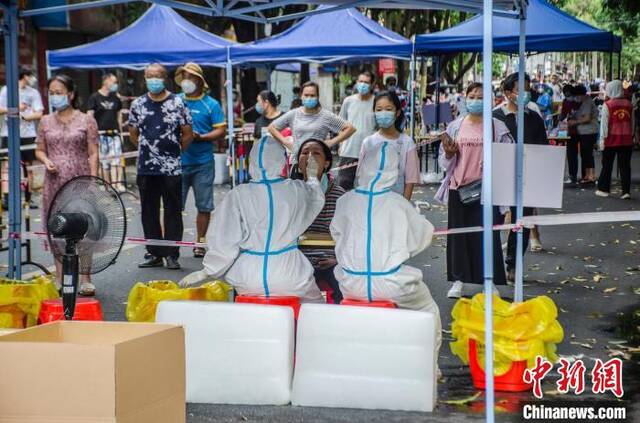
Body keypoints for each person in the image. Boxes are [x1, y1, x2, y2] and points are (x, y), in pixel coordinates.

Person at [331, 141, 441, 364]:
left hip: (351, 283)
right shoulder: (398, 204)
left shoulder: (344, 201)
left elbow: (337, 234)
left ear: (361, 167)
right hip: (393, 284)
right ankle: (429, 366)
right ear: (394, 170)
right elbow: (421, 239)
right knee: (429, 309)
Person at [179, 136, 325, 303]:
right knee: (315, 307)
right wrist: (312, 177)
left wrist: (207, 270)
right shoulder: (296, 190)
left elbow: (224, 238)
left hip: (247, 278)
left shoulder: (239, 194)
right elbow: (315, 200)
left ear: (251, 162)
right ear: (282, 162)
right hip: (290, 273)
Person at [435, 82, 513, 299]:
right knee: (458, 237)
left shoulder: (497, 127)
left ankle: (490, 282)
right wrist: (449, 154)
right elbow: (444, 162)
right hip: (458, 188)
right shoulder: (455, 126)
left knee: (488, 236)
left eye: (481, 96)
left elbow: (506, 161)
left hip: (487, 191)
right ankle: (458, 281)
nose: (476, 100)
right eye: (472, 95)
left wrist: (505, 200)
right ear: (465, 98)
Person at [35, 74, 99, 295]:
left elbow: (93, 152)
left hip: (79, 181)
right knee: (57, 228)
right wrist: (45, 160)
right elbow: (40, 149)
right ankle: (60, 277)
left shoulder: (86, 120)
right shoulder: (44, 121)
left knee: (83, 228)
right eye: (51, 93)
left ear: (70, 94)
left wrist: (93, 179)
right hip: (53, 183)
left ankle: (85, 278)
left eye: (59, 92)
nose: (55, 97)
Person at [128, 63, 193, 270]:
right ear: (145, 78)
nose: (153, 79)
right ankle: (154, 252)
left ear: (165, 78)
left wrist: (173, 152)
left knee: (173, 210)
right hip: (146, 167)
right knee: (149, 210)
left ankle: (172, 253)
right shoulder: (138, 104)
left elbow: (187, 133)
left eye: (157, 76)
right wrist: (150, 151)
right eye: (149, 76)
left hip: (171, 167)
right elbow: (133, 133)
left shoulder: (177, 102)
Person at [494, 73, 548, 281]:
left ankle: (513, 265)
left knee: (523, 222)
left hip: (527, 179)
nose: (526, 93)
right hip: (500, 178)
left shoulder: (534, 117)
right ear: (507, 93)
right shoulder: (495, 117)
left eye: (528, 88)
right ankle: (492, 267)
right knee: (496, 220)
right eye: (520, 89)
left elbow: (542, 147)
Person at [175, 62, 226, 259]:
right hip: (177, 163)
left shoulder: (211, 104)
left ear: (200, 80)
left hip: (203, 162)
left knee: (204, 206)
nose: (187, 81)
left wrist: (202, 137)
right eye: (184, 76)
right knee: (173, 206)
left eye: (192, 77)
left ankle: (200, 242)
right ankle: (172, 244)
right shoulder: (175, 101)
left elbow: (221, 130)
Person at [295, 139, 346, 303]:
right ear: (298, 162)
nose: (309, 157)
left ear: (326, 163)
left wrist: (338, 260)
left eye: (316, 153)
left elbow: (349, 234)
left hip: (330, 260)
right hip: (297, 261)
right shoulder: (290, 193)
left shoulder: (339, 194)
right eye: (304, 153)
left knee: (346, 289)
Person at [268, 81, 355, 169]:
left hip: (318, 164)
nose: (309, 98)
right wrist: (286, 142)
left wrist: (331, 142)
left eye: (312, 95)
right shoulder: (293, 114)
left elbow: (350, 128)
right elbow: (272, 128)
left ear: (317, 97)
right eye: (306, 95)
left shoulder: (326, 116)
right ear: (301, 96)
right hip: (297, 163)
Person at [358, 90, 420, 200]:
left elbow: (410, 180)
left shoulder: (407, 143)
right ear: (374, 112)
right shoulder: (368, 143)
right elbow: (361, 177)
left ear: (397, 112)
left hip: (396, 203)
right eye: (379, 110)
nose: (383, 113)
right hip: (371, 202)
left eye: (388, 109)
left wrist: (403, 206)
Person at [0, 67, 44, 210]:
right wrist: (16, 109)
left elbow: (39, 113)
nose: (33, 79)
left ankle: (28, 198)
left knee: (28, 166)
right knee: (7, 166)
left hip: (28, 134)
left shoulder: (33, 92)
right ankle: (6, 199)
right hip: (9, 132)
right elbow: (1, 109)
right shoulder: (7, 90)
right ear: (24, 76)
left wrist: (26, 116)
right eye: (31, 76)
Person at [337, 71, 377, 190]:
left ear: (372, 85)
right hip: (348, 151)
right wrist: (340, 144)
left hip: (370, 152)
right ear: (356, 83)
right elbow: (341, 124)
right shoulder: (348, 101)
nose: (363, 84)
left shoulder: (376, 102)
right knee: (343, 187)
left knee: (367, 187)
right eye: (361, 81)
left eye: (366, 82)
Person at [596, 80, 634, 199]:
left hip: (611, 140)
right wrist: (631, 135)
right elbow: (632, 123)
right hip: (627, 140)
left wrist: (602, 140)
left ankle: (604, 189)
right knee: (625, 166)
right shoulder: (629, 104)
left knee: (607, 165)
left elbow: (604, 124)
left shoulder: (608, 104)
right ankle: (626, 191)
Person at [87, 73, 124, 191]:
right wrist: (92, 134)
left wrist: (121, 132)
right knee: (104, 162)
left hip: (114, 133)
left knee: (116, 160)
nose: (115, 84)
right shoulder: (94, 97)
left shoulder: (116, 98)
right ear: (106, 81)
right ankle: (108, 185)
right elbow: (90, 116)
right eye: (114, 82)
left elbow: (119, 115)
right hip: (100, 135)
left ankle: (116, 184)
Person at [568, 85, 598, 184]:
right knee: (585, 154)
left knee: (588, 154)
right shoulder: (584, 102)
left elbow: (587, 118)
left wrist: (574, 122)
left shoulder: (587, 102)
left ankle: (591, 176)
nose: (576, 98)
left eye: (577, 96)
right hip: (585, 132)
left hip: (589, 132)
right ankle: (587, 175)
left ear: (581, 95)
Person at [560, 84, 582, 185]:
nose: (568, 96)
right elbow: (563, 114)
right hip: (574, 131)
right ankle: (575, 176)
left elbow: (563, 115)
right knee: (573, 154)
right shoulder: (567, 101)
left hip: (580, 130)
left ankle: (579, 176)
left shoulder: (581, 101)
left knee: (575, 154)